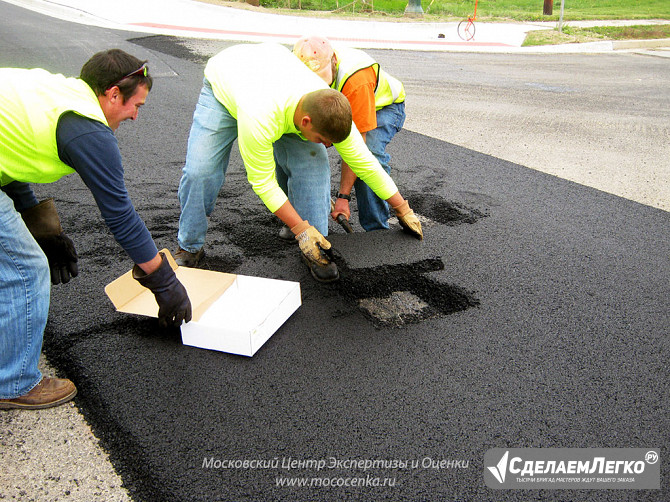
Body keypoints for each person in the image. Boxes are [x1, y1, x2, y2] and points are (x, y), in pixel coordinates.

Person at [0, 49, 192, 410]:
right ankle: (13, 383)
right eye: (137, 105)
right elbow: (119, 214)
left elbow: (7, 154)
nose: (135, 116)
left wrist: (40, 225)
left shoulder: (60, 94)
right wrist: (162, 279)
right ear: (113, 93)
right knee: (24, 270)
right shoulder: (87, 129)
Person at [175, 42, 422, 283]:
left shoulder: (328, 108)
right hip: (226, 85)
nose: (326, 144)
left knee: (314, 164)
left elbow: (365, 163)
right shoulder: (259, 116)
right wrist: (299, 229)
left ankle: (317, 248)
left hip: (279, 86)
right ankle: (190, 246)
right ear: (305, 122)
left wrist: (402, 208)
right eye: (322, 139)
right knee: (201, 172)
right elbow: (263, 182)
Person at [293, 35, 407, 232]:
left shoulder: (355, 81)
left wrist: (343, 198)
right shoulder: (298, 64)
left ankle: (376, 229)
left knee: (369, 156)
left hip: (383, 107)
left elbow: (357, 152)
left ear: (333, 61)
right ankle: (303, 217)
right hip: (335, 107)